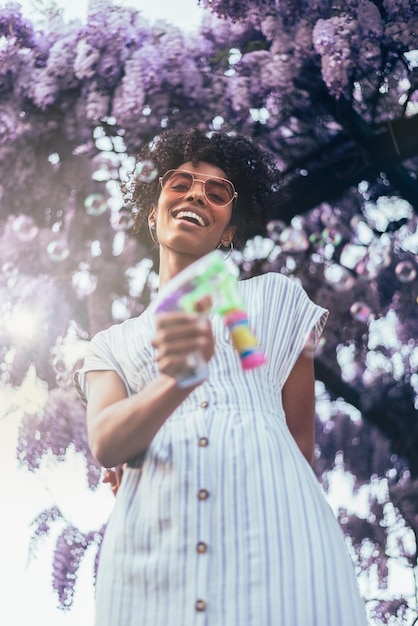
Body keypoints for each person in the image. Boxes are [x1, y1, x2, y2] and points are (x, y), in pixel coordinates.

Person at [74, 128, 368, 625]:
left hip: (276, 533)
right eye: (181, 183)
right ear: (153, 210)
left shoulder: (275, 298)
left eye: (217, 193)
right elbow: (105, 442)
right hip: (152, 548)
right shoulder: (111, 343)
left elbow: (299, 443)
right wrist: (176, 384)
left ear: (229, 230)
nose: (196, 195)